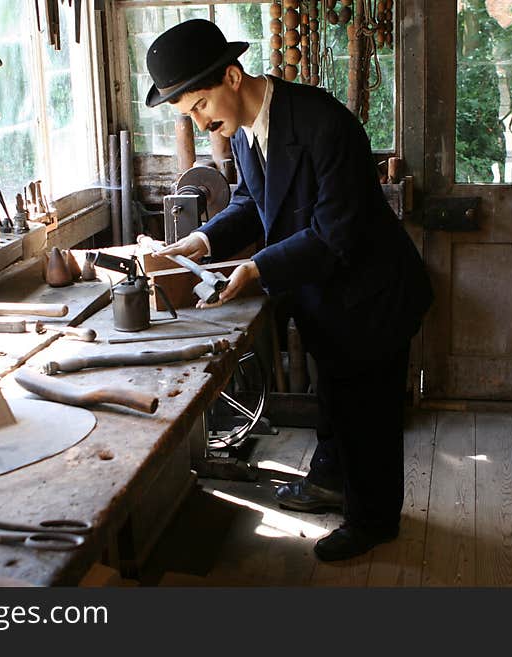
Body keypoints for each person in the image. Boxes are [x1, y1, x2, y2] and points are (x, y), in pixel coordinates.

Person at [146, 19, 433, 561]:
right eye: (191, 116)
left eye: (200, 106)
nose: (203, 125)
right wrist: (201, 243)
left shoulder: (323, 123)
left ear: (233, 76)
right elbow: (253, 203)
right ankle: (329, 481)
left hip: (373, 295)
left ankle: (373, 523)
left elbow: (334, 233)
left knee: (367, 412)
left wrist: (254, 268)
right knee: (336, 396)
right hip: (325, 293)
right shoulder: (249, 132)